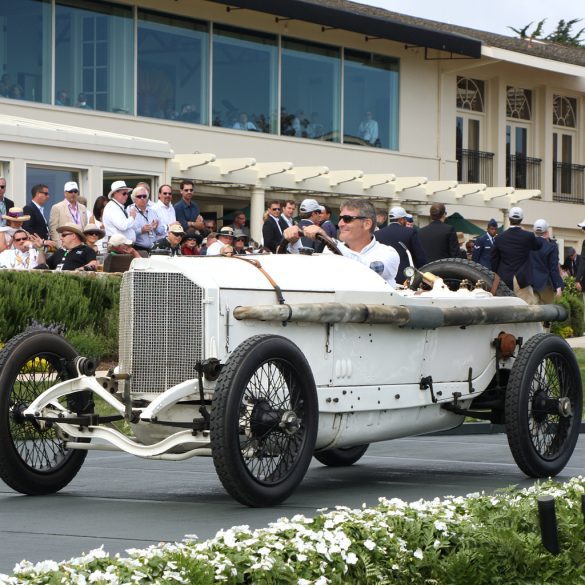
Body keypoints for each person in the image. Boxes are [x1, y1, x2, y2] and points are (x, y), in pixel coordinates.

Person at [283, 198, 400, 287]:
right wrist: (295, 243)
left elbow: (367, 270)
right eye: (340, 219)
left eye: (347, 219)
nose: (340, 224)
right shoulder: (329, 250)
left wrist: (330, 241)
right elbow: (309, 274)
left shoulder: (388, 253)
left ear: (367, 224)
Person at [491, 207, 542, 293]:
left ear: (509, 218)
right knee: (525, 305)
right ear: (521, 219)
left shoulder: (499, 237)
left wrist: (497, 273)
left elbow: (494, 259)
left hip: (504, 279)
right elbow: (538, 246)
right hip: (523, 279)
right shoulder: (528, 236)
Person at [375, 206, 427, 285]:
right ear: (401, 219)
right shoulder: (410, 232)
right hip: (405, 277)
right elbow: (420, 257)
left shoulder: (378, 234)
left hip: (383, 277)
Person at [529, 219, 564, 305]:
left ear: (534, 230)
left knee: (533, 313)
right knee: (548, 313)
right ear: (546, 231)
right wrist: (558, 286)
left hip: (529, 284)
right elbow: (553, 269)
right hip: (545, 284)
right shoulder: (551, 247)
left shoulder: (527, 244)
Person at [49, 181, 87, 245]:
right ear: (65, 193)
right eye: (70, 191)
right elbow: (53, 230)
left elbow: (84, 227)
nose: (73, 193)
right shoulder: (57, 207)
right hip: (65, 245)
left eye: (75, 191)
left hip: (81, 244)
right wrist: (60, 246)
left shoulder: (82, 207)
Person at [128, 185, 164, 251]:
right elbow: (127, 234)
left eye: (144, 196)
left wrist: (156, 228)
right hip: (138, 248)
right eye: (139, 196)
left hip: (154, 249)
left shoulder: (153, 211)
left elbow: (162, 231)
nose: (142, 198)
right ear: (134, 199)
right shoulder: (130, 212)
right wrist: (141, 230)